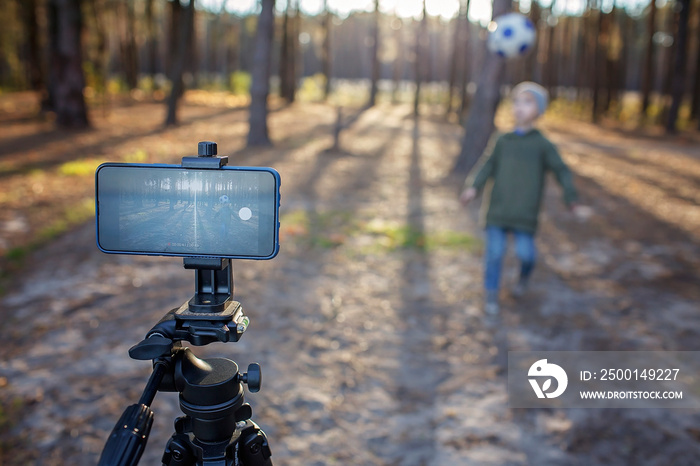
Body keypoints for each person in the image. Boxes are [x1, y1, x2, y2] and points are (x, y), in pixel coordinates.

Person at [460, 81, 586, 315]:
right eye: (516, 101)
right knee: (494, 254)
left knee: (526, 254)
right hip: (497, 211)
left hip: (524, 215)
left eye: (527, 102)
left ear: (538, 110)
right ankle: (491, 295)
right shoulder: (502, 140)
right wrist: (473, 187)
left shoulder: (542, 145)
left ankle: (523, 278)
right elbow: (486, 166)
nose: (520, 107)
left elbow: (561, 170)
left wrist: (570, 197)